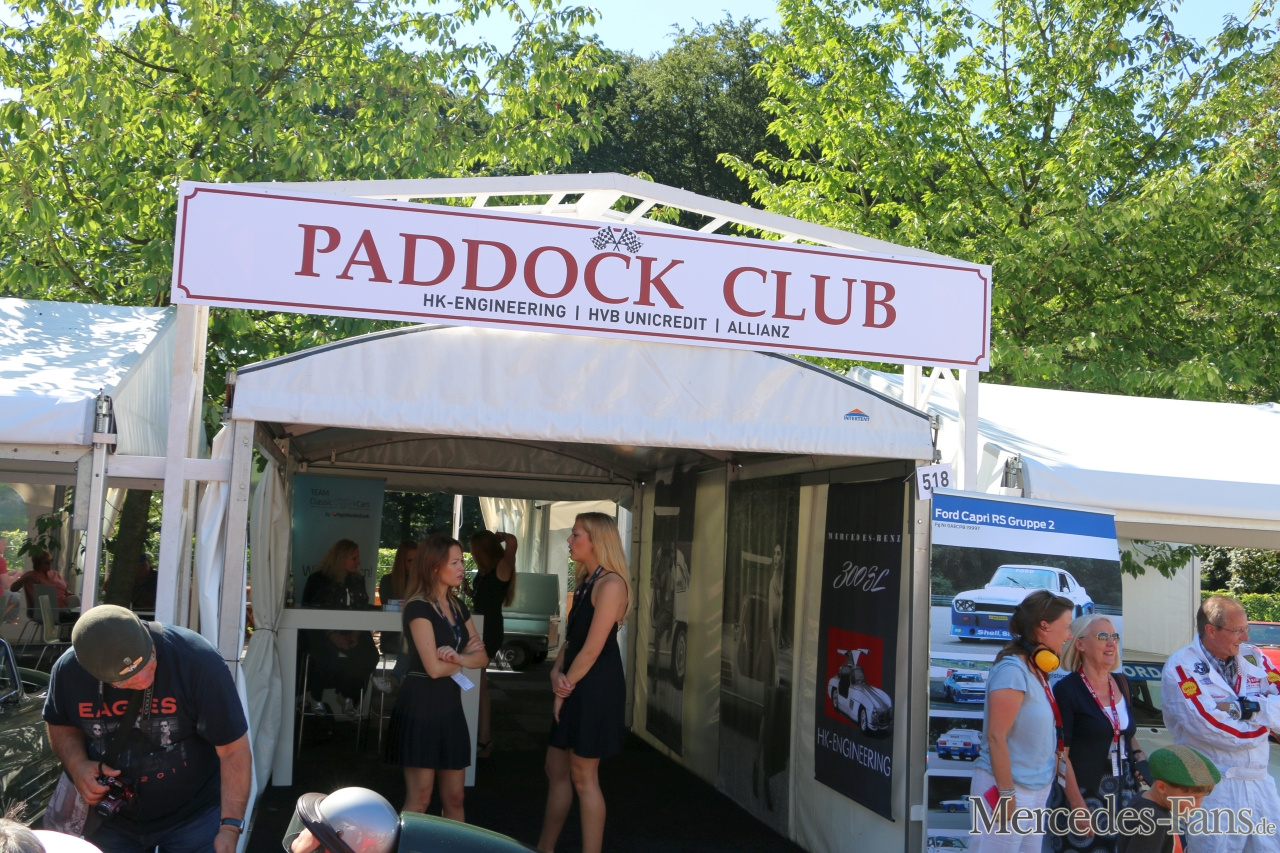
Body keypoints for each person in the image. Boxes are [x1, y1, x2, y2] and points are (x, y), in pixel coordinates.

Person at [42, 604, 251, 853]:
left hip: (195, 815)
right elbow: (60, 723)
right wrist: (77, 766)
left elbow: (233, 750)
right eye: (124, 679)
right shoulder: (68, 671)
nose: (142, 678)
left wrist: (230, 827)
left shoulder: (197, 660)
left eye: (148, 660)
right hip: (112, 819)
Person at [538, 513, 630, 853]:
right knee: (556, 768)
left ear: (596, 540)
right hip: (578, 681)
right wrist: (556, 671)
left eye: (576, 534)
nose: (569, 540)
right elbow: (573, 641)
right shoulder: (587, 581)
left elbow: (593, 648)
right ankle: (544, 847)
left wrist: (563, 687)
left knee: (583, 776)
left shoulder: (611, 584)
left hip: (594, 688)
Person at [1161, 594, 1280, 853]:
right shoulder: (1182, 666)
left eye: (1246, 629)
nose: (1245, 637)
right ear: (1211, 630)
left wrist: (1250, 709)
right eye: (1237, 631)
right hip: (1213, 790)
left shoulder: (1256, 658)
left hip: (1261, 786)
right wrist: (1268, 726)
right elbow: (1210, 727)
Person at [384, 534, 487, 820]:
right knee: (420, 798)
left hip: (449, 704)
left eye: (461, 561)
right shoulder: (418, 606)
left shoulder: (457, 606)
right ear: (433, 567)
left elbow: (482, 658)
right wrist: (461, 660)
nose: (462, 568)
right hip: (421, 704)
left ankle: (451, 843)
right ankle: (404, 843)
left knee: (455, 797)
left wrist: (457, 659)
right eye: (454, 562)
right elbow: (433, 669)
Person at [967, 589, 1075, 853]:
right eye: (1066, 627)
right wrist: (1006, 794)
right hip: (1007, 789)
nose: (1069, 635)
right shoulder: (1012, 670)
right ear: (1044, 626)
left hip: (1034, 789)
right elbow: (996, 736)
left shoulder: (1036, 671)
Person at [1052, 615, 1145, 850]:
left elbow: (1122, 730)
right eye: (1103, 637)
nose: (1111, 643)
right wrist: (1077, 805)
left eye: (1114, 636)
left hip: (1125, 789)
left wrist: (1139, 755)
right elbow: (1060, 754)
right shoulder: (1066, 690)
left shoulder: (1122, 683)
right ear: (1080, 644)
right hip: (1085, 791)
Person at [302, 540, 384, 716]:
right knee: (325, 657)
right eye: (354, 558)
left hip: (354, 630)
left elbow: (361, 607)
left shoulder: (358, 579)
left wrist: (356, 633)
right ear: (341, 558)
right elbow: (309, 610)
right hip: (322, 632)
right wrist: (332, 634)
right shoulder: (318, 579)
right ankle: (316, 697)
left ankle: (347, 694)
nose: (358, 562)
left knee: (369, 656)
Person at [468, 530, 517, 756]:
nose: (472, 554)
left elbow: (513, 544)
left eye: (474, 550)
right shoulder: (487, 570)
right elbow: (484, 596)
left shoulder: (502, 568)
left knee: (479, 684)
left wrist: (502, 537)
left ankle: (484, 739)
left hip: (488, 629)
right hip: (479, 626)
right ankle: (482, 738)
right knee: (478, 683)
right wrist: (470, 592)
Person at [1117, 745, 1220, 853]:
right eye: (1192, 798)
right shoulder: (1154, 822)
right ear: (1162, 787)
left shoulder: (1141, 798)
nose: (1197, 805)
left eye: (1200, 798)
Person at [377, 540, 418, 689]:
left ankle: (395, 679)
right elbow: (388, 610)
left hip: (418, 637)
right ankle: (396, 679)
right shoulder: (388, 581)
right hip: (394, 636)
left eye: (417, 560)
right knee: (411, 640)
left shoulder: (424, 582)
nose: (414, 565)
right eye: (410, 561)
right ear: (401, 562)